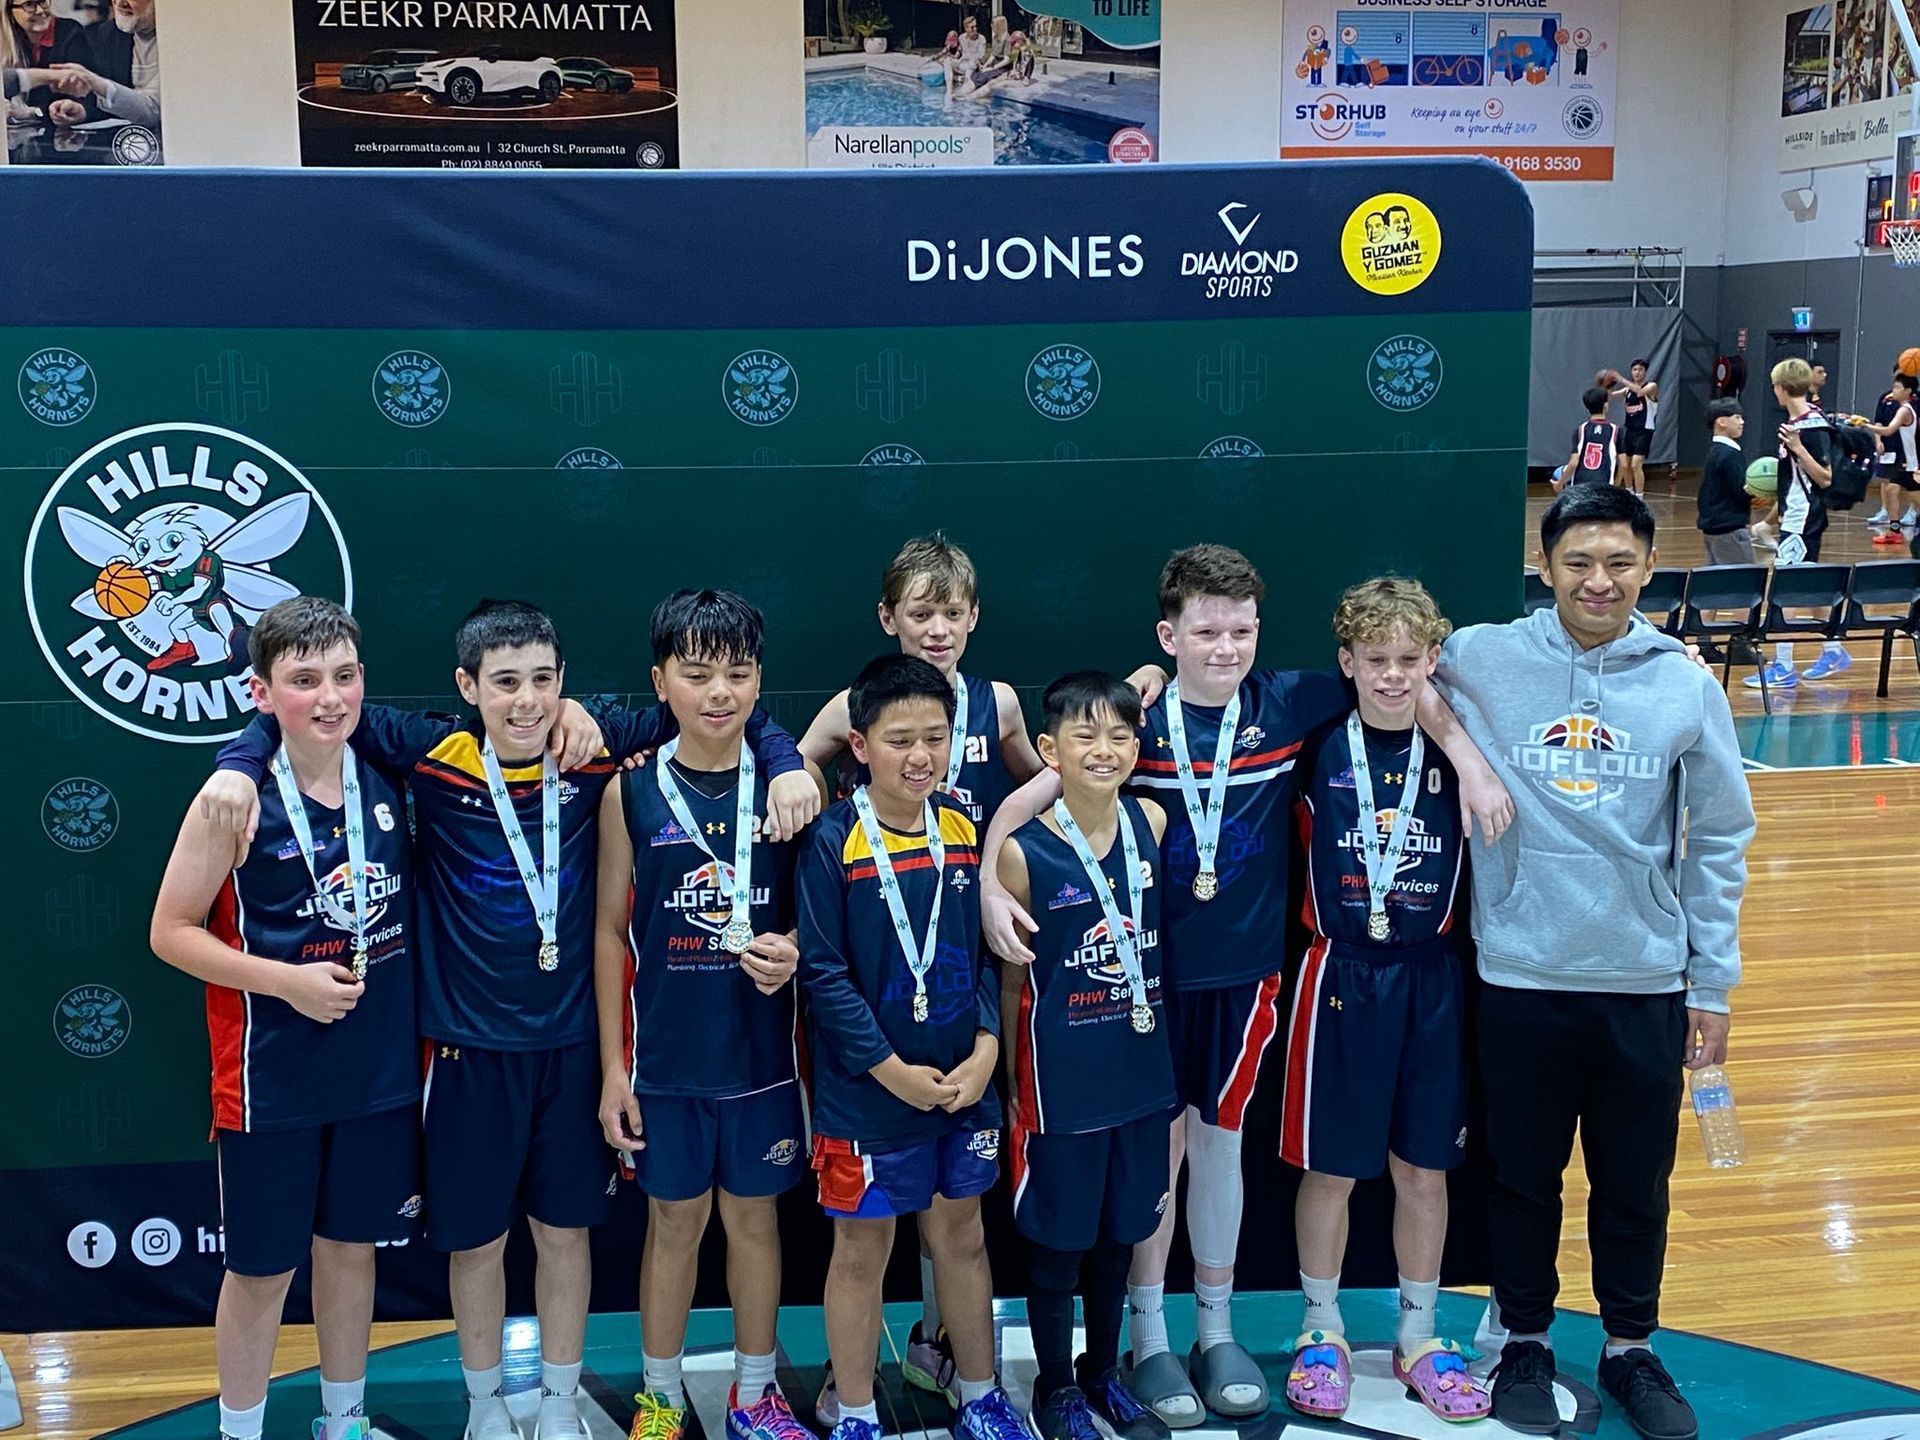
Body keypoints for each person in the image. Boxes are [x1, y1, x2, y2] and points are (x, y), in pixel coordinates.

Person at [196, 600, 817, 1440]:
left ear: (563, 683)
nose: (526, 701)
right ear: (468, 686)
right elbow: (307, 708)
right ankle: (485, 1407)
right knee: (477, 1244)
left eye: (542, 682)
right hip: (465, 1052)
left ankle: (558, 1405)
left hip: (572, 1046)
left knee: (565, 1237)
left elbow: (719, 706)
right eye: (504, 683)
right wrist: (239, 760)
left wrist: (783, 757)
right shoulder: (431, 753)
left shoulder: (595, 749)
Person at [981, 545, 1511, 1430]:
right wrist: (991, 882)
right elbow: (1040, 791)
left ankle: (1216, 1330)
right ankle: (1149, 1338)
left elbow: (1402, 683)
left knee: (1220, 1147)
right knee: (1158, 1158)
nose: (1224, 649)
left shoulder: (1290, 702)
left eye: (1240, 631)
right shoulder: (1135, 719)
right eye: (1205, 633)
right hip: (1141, 985)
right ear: (1169, 636)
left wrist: (1468, 757)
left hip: (1245, 979)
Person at [1425, 484, 1754, 1440]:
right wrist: (1470, 758)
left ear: (1649, 568)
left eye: (1618, 563)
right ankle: (1524, 1339)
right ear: (1546, 568)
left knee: (1634, 1182)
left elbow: (1720, 837)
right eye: (1578, 562)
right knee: (1522, 1178)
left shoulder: (1685, 685)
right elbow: (1391, 668)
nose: (1597, 581)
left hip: (1644, 981)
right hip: (1520, 975)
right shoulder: (1484, 654)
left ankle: (1630, 1348)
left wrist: (1712, 982)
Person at [150, 598, 421, 1440]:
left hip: (376, 1071)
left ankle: (345, 1422)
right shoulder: (232, 798)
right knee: (262, 1270)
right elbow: (170, 932)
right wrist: (283, 983)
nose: (330, 698)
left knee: (351, 1251)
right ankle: (241, 1433)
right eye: (305, 681)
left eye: (344, 676)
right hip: (271, 1078)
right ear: (261, 694)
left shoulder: (388, 774)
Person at [799, 536, 1044, 1422]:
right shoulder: (833, 839)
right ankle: (858, 1410)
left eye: (935, 739)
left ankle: (979, 1394)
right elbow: (824, 974)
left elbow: (978, 957)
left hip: (960, 1083)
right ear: (859, 745)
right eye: (900, 741)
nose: (920, 755)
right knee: (861, 1254)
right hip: (870, 1090)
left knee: (964, 1241)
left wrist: (984, 1050)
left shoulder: (965, 833)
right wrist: (890, 1069)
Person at [595, 591, 816, 1440]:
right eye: (696, 674)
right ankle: (659, 1397)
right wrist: (614, 1069)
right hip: (666, 1063)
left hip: (762, 1060)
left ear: (760, 679)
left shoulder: (791, 790)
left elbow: (824, 915)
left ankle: (754, 1394)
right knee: (673, 1224)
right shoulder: (631, 792)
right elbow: (609, 934)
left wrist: (794, 946)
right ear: (661, 682)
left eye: (738, 673)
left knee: (754, 1223)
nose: (719, 692)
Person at [1279, 578, 1491, 1426]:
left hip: (1430, 974)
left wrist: (1467, 756)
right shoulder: (1314, 744)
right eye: (1376, 659)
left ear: (1433, 659)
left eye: (1409, 658)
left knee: (1423, 1168)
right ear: (1348, 662)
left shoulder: (1462, 745)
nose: (1393, 675)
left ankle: (1418, 1334)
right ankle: (1319, 1328)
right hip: (1339, 972)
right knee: (1331, 1166)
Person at [995, 672, 1174, 1440]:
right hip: (1060, 1081)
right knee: (1058, 1246)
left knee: (1119, 1237)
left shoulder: (1153, 822)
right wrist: (1012, 1079)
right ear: (1049, 749)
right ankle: (1057, 1388)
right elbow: (1012, 983)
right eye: (1085, 735)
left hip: (1140, 1072)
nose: (1105, 750)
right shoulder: (1023, 855)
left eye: (1120, 735)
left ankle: (1103, 1373)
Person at [1747, 357, 1849, 689]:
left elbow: (1825, 478)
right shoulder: (1797, 422)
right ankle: (1833, 651)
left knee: (1784, 591)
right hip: (1795, 516)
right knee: (1809, 588)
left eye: (1774, 385)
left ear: (1781, 387)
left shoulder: (1812, 427)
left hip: (1803, 520)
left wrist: (1798, 449)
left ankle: (1784, 666)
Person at [43, 0, 156, 129]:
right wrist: (82, 111)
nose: (119, 3)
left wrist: (96, 83)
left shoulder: (174, 40)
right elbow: (109, 104)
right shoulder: (105, 35)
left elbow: (153, 108)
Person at [5, 0, 92, 115]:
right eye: (29, 5)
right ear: (10, 12)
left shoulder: (70, 32)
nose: (40, 10)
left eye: (43, 2)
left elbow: (85, 97)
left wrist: (33, 113)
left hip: (60, 120)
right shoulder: (7, 39)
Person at [1697, 399, 1755, 565]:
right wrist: (1757, 493)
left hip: (1715, 528)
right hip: (1729, 530)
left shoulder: (1716, 451)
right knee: (1741, 578)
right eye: (1737, 417)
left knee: (1717, 578)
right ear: (1722, 422)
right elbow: (1741, 490)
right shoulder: (1729, 454)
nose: (1742, 422)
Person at [1864, 372, 1918, 540]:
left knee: (1915, 498)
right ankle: (1895, 531)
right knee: (1891, 490)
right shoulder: (1904, 407)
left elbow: (1888, 430)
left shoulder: (1904, 410)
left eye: (1897, 387)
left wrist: (1866, 425)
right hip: (1904, 461)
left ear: (1907, 391)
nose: (1893, 390)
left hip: (1913, 463)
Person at [1612, 359, 1660, 496]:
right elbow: (1611, 395)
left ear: (1645, 372)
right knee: (1626, 465)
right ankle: (1629, 492)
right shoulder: (1627, 390)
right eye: (1634, 369)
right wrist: (1604, 385)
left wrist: (1621, 379)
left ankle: (1639, 497)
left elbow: (1640, 392)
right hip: (1630, 430)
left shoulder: (1651, 386)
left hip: (1644, 430)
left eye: (1640, 369)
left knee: (1635, 464)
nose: (1637, 372)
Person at [1557, 386, 1620, 491]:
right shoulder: (1615, 430)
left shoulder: (1580, 430)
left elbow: (1573, 462)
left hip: (1580, 486)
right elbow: (1624, 465)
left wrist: (1560, 483)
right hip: (1604, 486)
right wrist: (1616, 485)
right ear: (1605, 405)